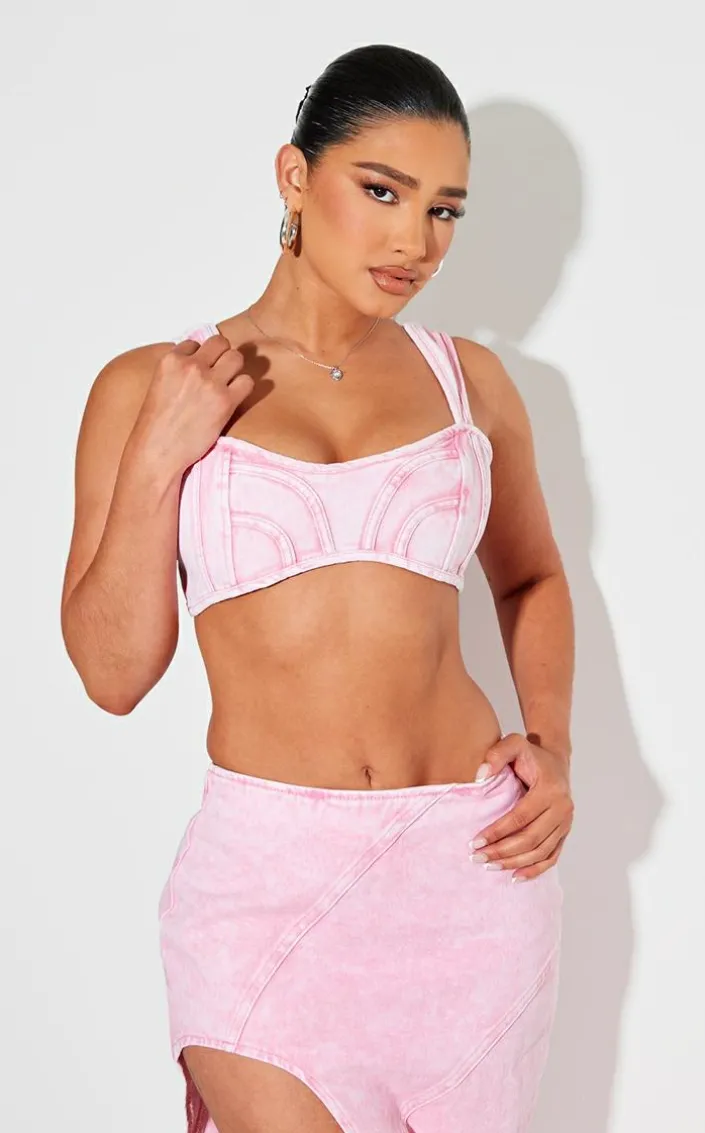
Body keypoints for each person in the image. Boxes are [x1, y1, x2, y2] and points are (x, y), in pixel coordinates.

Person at [60, 42, 575, 1133]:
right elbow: (112, 674)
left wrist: (553, 744)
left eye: (444, 210)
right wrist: (157, 457)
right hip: (263, 884)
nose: (413, 240)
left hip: (469, 870)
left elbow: (530, 575)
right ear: (294, 177)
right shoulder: (152, 385)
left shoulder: (469, 384)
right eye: (381, 191)